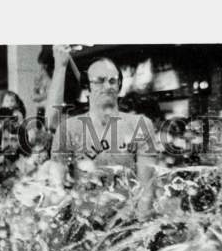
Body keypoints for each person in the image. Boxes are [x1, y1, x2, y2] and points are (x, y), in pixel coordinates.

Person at [49, 55, 160, 215]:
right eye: (100, 81)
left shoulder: (140, 125)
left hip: (126, 222)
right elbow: (57, 187)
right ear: (87, 88)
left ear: (119, 85)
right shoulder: (69, 128)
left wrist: (138, 226)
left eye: (113, 81)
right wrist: (60, 66)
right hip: (84, 222)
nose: (107, 86)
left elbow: (146, 189)